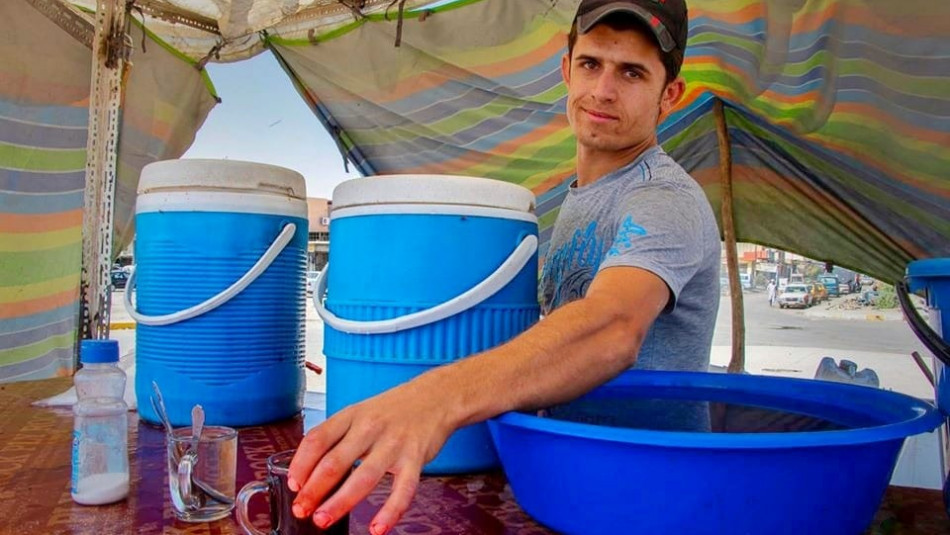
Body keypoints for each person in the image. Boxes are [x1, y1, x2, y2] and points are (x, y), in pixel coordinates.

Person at [287, 1, 720, 533]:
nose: (603, 90)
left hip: (648, 497)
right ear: (565, 68)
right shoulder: (575, 199)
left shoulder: (664, 199)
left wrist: (437, 398)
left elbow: (612, 327)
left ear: (669, 95)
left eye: (632, 73)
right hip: (567, 485)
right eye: (590, 64)